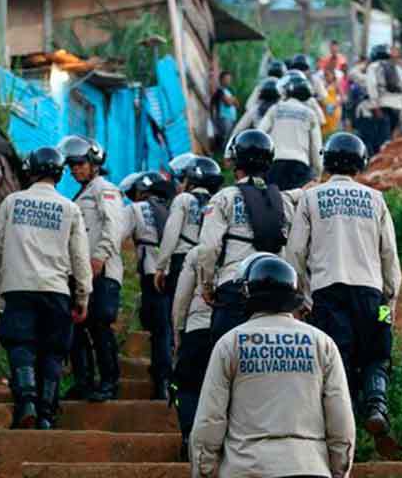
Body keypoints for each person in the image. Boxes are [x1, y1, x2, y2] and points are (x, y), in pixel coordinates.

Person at [190, 253, 355, 478]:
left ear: (247, 293)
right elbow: (341, 422)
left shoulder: (230, 343)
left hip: (246, 468)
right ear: (293, 295)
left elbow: (210, 421)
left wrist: (204, 472)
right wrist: (339, 471)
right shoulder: (322, 343)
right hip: (309, 467)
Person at [287, 132, 402, 443]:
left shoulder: (312, 198)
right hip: (372, 295)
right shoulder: (375, 199)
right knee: (377, 353)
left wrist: (302, 296)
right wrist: (389, 299)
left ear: (327, 161)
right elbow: (389, 253)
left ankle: (344, 429)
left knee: (339, 359)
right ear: (361, 162)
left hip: (328, 295)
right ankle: (377, 404)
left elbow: (295, 251)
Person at [0, 147, 92, 429]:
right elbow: (80, 257)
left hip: (18, 288)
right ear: (59, 174)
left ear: (30, 170)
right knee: (53, 352)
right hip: (56, 291)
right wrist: (83, 295)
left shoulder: (12, 203)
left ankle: (27, 403)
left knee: (21, 345)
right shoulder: (70, 208)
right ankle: (45, 414)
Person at [196, 130, 301, 346]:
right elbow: (295, 247)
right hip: (275, 289)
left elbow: (208, 248)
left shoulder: (223, 198)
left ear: (236, 161)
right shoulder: (283, 201)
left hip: (234, 285)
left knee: (224, 350)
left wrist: (206, 285)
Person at [59, 136, 124, 402]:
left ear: (94, 163)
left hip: (102, 272)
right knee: (77, 328)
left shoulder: (104, 189)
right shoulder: (81, 194)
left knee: (99, 327)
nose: (75, 169)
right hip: (82, 274)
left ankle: (109, 382)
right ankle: (84, 382)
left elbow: (113, 226)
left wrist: (99, 258)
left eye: (80, 163)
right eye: (71, 165)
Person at [120, 171, 174, 399]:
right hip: (176, 275)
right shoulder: (173, 208)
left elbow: (117, 234)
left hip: (152, 275)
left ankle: (161, 382)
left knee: (159, 329)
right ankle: (168, 379)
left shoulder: (135, 209)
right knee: (168, 329)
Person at [155, 156, 223, 321]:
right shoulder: (217, 201)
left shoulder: (183, 199)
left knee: (178, 310)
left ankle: (177, 343)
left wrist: (161, 267)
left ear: (191, 180)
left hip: (181, 261)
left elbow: (171, 234)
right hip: (208, 262)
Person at [169, 246, 213, 461]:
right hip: (236, 332)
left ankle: (189, 435)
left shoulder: (197, 253)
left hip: (198, 328)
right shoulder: (251, 255)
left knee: (188, 386)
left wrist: (178, 333)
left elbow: (182, 297)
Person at [258, 75, 323, 191]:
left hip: (275, 164)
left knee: (275, 203)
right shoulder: (310, 114)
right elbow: (316, 146)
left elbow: (260, 133)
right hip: (300, 165)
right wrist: (318, 171)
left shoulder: (275, 109)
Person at [366, 44, 402, 152]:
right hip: (397, 107)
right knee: (389, 139)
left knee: (381, 140)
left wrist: (375, 106)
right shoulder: (396, 68)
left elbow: (372, 86)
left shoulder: (373, 66)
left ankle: (380, 164)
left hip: (382, 106)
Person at [225, 77, 281, 161]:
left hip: (260, 148)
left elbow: (238, 130)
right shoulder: (281, 111)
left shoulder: (255, 109)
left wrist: (228, 153)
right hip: (277, 150)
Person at [211, 71, 239, 148]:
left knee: (228, 137)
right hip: (223, 118)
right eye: (226, 79)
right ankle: (221, 153)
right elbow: (228, 103)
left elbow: (237, 104)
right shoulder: (220, 91)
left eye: (229, 79)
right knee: (224, 137)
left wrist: (232, 100)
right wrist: (232, 100)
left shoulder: (229, 91)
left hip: (230, 118)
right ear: (221, 80)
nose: (228, 81)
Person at [321, 67, 343, 136]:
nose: (326, 77)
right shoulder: (323, 84)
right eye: (325, 75)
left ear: (332, 75)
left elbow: (342, 97)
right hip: (325, 109)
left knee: (332, 129)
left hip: (334, 109)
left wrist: (335, 105)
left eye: (327, 75)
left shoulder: (336, 84)